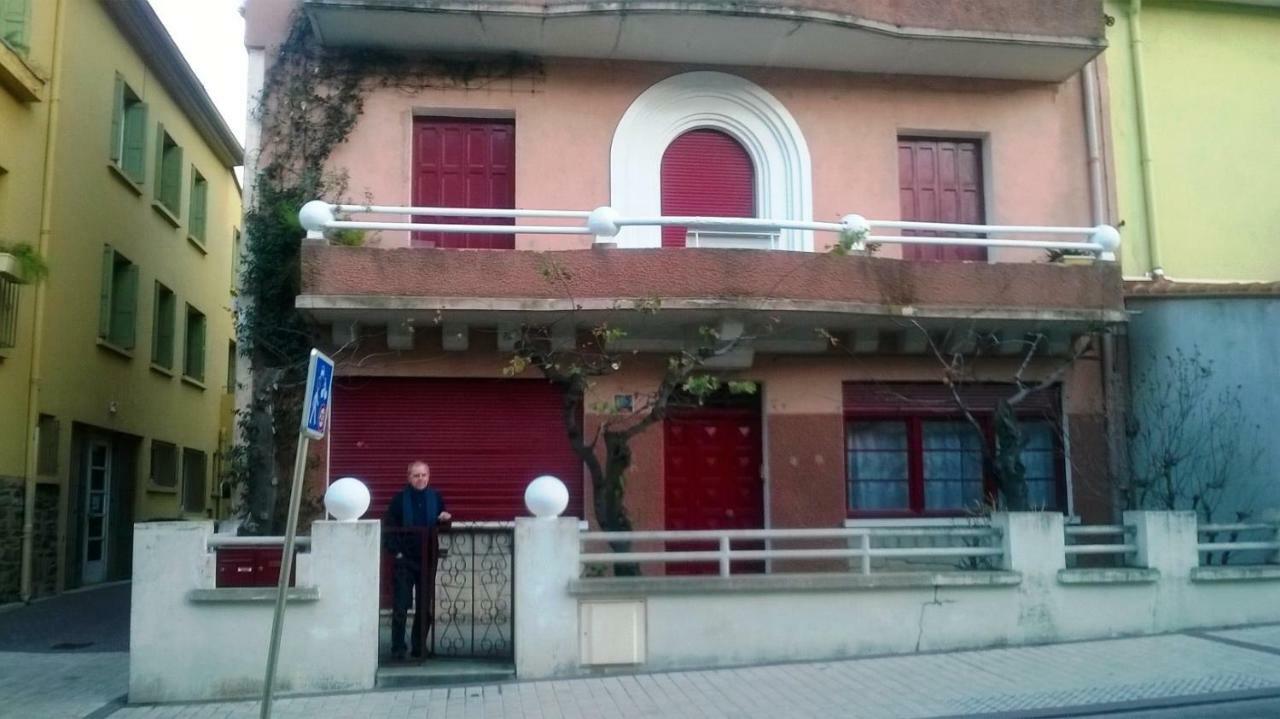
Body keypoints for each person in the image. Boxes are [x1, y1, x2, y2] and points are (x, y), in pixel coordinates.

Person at [383, 460, 451, 661]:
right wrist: (397, 553)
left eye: (424, 475)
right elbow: (388, 529)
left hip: (428, 559)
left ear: (428, 476)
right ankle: (397, 649)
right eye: (416, 475)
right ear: (409, 477)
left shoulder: (436, 498)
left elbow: (443, 527)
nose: (420, 479)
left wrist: (446, 520)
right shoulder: (398, 500)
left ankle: (419, 648)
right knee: (401, 606)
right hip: (405, 560)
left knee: (425, 607)